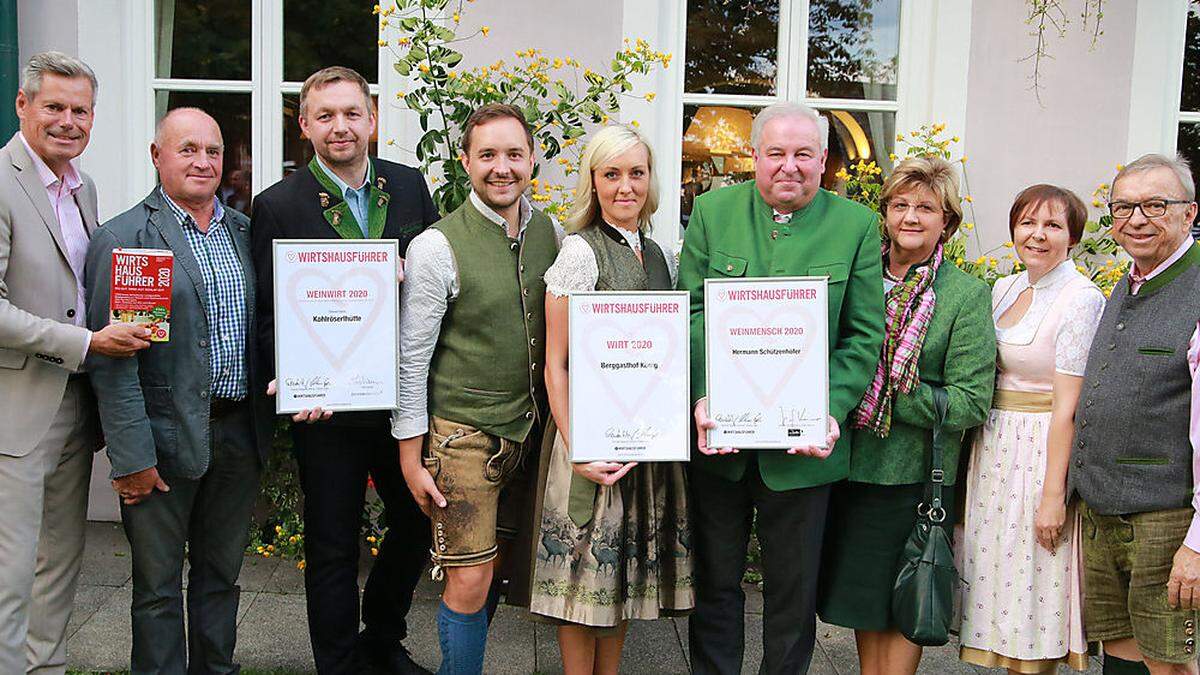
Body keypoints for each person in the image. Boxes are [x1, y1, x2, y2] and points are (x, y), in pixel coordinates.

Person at [678, 100, 885, 674]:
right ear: (754, 156)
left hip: (804, 451)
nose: (788, 166)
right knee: (715, 585)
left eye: (803, 154)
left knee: (793, 599)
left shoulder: (856, 227)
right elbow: (692, 313)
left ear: (823, 160)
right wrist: (702, 396)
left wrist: (831, 409)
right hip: (721, 443)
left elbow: (863, 337)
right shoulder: (713, 212)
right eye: (776, 153)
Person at [250, 66, 436, 675]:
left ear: (373, 120)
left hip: (400, 399)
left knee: (414, 522)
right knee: (332, 540)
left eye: (352, 113)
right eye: (325, 116)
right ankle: (337, 661)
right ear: (304, 126)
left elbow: (436, 292)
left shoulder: (410, 189)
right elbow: (271, 309)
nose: (341, 127)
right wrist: (288, 375)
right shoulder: (277, 205)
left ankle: (382, 637)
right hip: (324, 404)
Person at [84, 107, 272, 673]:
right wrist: (131, 458)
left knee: (221, 577)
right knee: (159, 589)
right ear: (156, 156)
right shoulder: (130, 238)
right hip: (162, 443)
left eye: (213, 151)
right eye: (187, 149)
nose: (203, 161)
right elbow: (116, 364)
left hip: (239, 432)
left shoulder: (245, 233)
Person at [0, 51, 152, 675]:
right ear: (23, 106)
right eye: (55, 107)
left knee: (60, 561)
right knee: (9, 572)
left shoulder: (81, 186)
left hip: (73, 405)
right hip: (17, 411)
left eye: (80, 110)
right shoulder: (2, 181)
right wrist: (88, 344)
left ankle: (46, 669)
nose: (68, 121)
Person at [394, 102, 558, 675]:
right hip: (461, 436)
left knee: (495, 572)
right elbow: (411, 360)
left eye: (514, 154)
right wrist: (411, 458)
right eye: (487, 154)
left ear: (532, 159)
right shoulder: (436, 246)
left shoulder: (551, 233)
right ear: (465, 161)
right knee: (468, 578)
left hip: (527, 433)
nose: (502, 167)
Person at [817, 156, 995, 675]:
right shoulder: (858, 278)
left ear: (947, 221)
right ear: (885, 214)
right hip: (847, 466)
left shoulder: (963, 295)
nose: (911, 217)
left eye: (925, 207)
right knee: (864, 605)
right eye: (900, 205)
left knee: (902, 607)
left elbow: (969, 401)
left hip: (910, 479)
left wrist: (886, 392)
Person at [530, 124, 693, 674]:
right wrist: (578, 448)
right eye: (612, 174)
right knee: (581, 585)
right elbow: (555, 364)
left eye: (636, 173)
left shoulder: (661, 255)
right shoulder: (580, 252)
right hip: (588, 440)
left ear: (651, 181)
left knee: (618, 580)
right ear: (593, 182)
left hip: (643, 442)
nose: (626, 186)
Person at [957, 185, 1103, 673]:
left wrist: (1052, 495)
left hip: (1041, 449)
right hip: (994, 447)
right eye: (1028, 223)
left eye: (1053, 225)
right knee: (999, 583)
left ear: (1073, 237)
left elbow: (1068, 408)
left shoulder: (1081, 298)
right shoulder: (1004, 288)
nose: (1038, 235)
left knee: (1035, 583)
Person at [1069, 154, 1200, 675]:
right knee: (1121, 653)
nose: (1137, 218)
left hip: (1167, 521)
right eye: (1123, 207)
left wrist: (1196, 546)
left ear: (1189, 213)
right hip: (1105, 513)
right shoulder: (1125, 284)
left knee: (1169, 663)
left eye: (1155, 204)